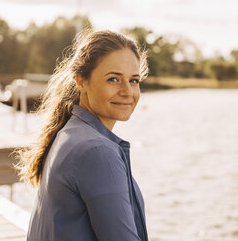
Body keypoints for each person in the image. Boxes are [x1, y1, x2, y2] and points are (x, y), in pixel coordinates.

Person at [16, 30, 149, 241]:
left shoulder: (71, 132)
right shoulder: (97, 151)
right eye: (113, 79)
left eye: (134, 80)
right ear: (81, 81)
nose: (127, 91)